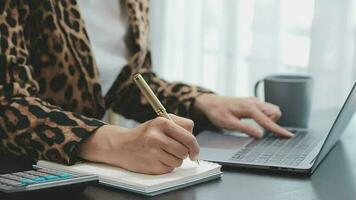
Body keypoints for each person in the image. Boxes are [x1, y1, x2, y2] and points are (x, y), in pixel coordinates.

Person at [0, 0, 293, 175]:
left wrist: (199, 101)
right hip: (20, 173)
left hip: (77, 175)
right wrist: (114, 142)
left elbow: (125, 83)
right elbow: (8, 106)